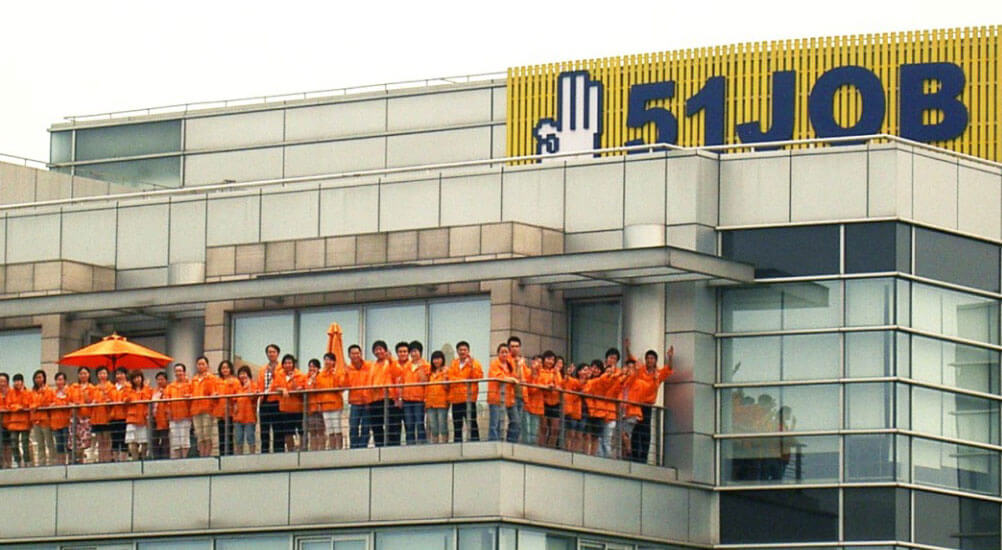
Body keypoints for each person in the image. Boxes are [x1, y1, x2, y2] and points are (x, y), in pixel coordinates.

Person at [624, 339, 674, 462]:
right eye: (648, 358)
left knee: (646, 432)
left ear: (655, 360)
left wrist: (670, 357)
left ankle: (644, 457)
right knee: (636, 431)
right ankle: (635, 456)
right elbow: (632, 359)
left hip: (647, 406)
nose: (650, 360)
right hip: (637, 405)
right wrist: (627, 348)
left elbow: (668, 369)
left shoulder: (658, 373)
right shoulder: (640, 370)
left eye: (652, 358)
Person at [368, 340, 401, 447]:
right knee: (376, 426)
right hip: (375, 400)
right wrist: (368, 400)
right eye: (376, 349)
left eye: (380, 349)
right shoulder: (372, 366)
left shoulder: (391, 363)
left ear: (385, 350)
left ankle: (393, 447)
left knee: (392, 425)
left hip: (389, 398)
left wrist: (390, 359)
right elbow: (369, 382)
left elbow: (398, 373)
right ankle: (380, 446)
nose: (378, 352)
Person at [271, 354, 306, 452]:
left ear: (293, 364)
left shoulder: (300, 375)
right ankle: (291, 450)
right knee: (287, 432)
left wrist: (293, 379)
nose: (288, 365)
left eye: (290, 363)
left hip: (298, 408)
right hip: (285, 408)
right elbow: (274, 387)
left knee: (301, 431)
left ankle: (303, 450)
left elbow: (301, 389)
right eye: (286, 363)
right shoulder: (279, 375)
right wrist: (282, 389)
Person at [448, 341, 482, 442]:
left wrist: (471, 367)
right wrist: (463, 379)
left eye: (464, 350)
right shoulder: (454, 363)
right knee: (457, 425)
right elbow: (450, 378)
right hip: (456, 399)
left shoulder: (475, 363)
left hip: (469, 398)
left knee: (472, 423)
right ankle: (457, 445)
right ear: (457, 351)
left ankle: (475, 444)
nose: (462, 352)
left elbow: (477, 377)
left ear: (468, 351)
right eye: (460, 350)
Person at [487, 343, 519, 442]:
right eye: (502, 352)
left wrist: (518, 366)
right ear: (498, 353)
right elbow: (499, 377)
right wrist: (511, 379)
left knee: (516, 421)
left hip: (509, 398)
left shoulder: (510, 365)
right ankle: (494, 442)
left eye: (506, 352)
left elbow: (516, 378)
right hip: (496, 398)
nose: (504, 354)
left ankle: (511, 441)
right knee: (495, 423)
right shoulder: (494, 364)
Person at [315, 352, 347, 450]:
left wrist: (335, 375)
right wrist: (319, 404)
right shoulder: (320, 375)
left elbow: (341, 386)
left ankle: (339, 447)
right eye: (325, 359)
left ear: (334, 362)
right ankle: (333, 448)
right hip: (325, 405)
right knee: (329, 429)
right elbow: (318, 391)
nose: (327, 362)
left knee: (337, 428)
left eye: (329, 360)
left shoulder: (337, 373)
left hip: (335, 404)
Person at [401, 341, 429, 445]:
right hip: (407, 399)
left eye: (415, 351)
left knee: (419, 423)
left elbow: (425, 381)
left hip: (419, 399)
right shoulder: (406, 366)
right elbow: (402, 382)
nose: (413, 354)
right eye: (411, 352)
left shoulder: (426, 365)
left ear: (420, 352)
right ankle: (410, 444)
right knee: (409, 424)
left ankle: (422, 444)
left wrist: (420, 367)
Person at [256, 343, 283, 453]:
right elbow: (260, 384)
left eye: (273, 352)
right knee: (264, 429)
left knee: (278, 429)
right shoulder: (263, 369)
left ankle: (278, 451)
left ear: (278, 353)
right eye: (269, 352)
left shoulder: (282, 368)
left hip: (277, 400)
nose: (271, 354)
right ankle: (265, 451)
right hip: (265, 400)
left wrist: (274, 373)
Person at [190, 356, 219, 457]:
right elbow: (191, 392)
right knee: (199, 436)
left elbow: (215, 392)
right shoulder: (194, 380)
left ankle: (207, 455)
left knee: (207, 435)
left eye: (203, 364)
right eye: (199, 364)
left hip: (207, 409)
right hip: (195, 410)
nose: (201, 366)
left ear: (207, 365)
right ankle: (202, 456)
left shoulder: (212, 378)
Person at [345, 345, 372, 449]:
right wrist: (344, 374)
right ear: (349, 355)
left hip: (367, 402)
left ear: (361, 354)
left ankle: (363, 446)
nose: (355, 355)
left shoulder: (369, 366)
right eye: (353, 353)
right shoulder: (348, 369)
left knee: (366, 427)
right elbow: (344, 385)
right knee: (353, 426)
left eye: (357, 353)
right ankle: (354, 447)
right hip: (355, 402)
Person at [90, 366, 117, 463]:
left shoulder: (111, 387)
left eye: (104, 373)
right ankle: (101, 459)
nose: (102, 375)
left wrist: (108, 399)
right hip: (96, 417)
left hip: (107, 416)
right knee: (100, 440)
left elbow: (114, 400)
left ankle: (107, 459)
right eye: (100, 373)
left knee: (107, 440)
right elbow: (90, 400)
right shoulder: (95, 388)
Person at [165, 364, 193, 459]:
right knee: (175, 441)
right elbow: (166, 400)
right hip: (173, 417)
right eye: (176, 371)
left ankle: (184, 458)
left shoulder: (189, 385)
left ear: (184, 372)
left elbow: (193, 397)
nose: (178, 373)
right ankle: (177, 459)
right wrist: (168, 412)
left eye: (180, 371)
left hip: (185, 416)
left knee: (184, 440)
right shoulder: (170, 386)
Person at [29, 369, 56, 466]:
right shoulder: (32, 391)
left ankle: (53, 462)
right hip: (36, 421)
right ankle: (41, 463)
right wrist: (36, 406)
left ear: (44, 378)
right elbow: (30, 404)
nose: (38, 379)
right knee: (40, 444)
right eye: (36, 377)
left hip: (46, 420)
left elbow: (49, 403)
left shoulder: (49, 390)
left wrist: (37, 405)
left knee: (49, 442)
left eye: (40, 377)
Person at [123, 371, 152, 460]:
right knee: (131, 441)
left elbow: (147, 398)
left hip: (143, 418)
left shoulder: (147, 388)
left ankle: (143, 459)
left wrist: (142, 391)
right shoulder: (128, 389)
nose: (137, 380)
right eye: (135, 378)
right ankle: (135, 459)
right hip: (132, 418)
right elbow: (125, 399)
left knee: (144, 441)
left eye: (139, 377)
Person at [536, 351, 563, 448]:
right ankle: (541, 448)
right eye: (548, 359)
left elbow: (560, 384)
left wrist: (556, 375)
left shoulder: (556, 371)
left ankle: (551, 448)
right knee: (543, 428)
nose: (550, 362)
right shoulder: (540, 370)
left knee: (555, 429)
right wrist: (546, 386)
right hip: (543, 401)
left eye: (552, 360)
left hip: (555, 401)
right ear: (544, 360)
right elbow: (537, 382)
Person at [67, 367, 94, 464]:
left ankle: (82, 460)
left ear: (89, 375)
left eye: (85, 373)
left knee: (84, 440)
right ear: (78, 375)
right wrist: (73, 404)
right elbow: (68, 400)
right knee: (74, 440)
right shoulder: (73, 387)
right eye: (81, 373)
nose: (83, 375)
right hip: (74, 417)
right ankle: (75, 460)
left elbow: (92, 402)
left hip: (85, 417)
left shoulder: (91, 388)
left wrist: (87, 400)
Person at [5, 374, 32, 467]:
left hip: (25, 422)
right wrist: (18, 407)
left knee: (25, 443)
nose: (17, 383)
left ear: (22, 382)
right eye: (15, 381)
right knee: (13, 443)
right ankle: (18, 461)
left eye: (19, 381)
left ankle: (27, 461)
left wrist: (22, 392)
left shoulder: (27, 392)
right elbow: (9, 405)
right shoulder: (10, 392)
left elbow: (27, 404)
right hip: (13, 422)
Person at [215, 360, 240, 456]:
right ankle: (222, 455)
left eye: (226, 368)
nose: (225, 370)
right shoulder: (218, 381)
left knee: (229, 435)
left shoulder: (235, 381)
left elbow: (237, 395)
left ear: (230, 369)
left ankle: (229, 455)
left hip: (230, 412)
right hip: (220, 412)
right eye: (223, 368)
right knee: (221, 435)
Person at [424, 351, 450, 444]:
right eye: (434, 359)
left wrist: (445, 377)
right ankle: (435, 444)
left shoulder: (446, 371)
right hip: (430, 403)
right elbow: (426, 387)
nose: (436, 361)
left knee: (442, 425)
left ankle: (444, 443)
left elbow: (447, 387)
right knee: (433, 426)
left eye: (439, 358)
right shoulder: (430, 373)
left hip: (442, 402)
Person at [506, 336, 527, 443]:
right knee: (515, 421)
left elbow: (525, 378)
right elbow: (513, 376)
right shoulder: (508, 360)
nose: (515, 348)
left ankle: (512, 442)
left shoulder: (522, 361)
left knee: (517, 423)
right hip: (511, 395)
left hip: (521, 395)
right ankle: (510, 443)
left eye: (517, 346)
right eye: (512, 346)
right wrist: (518, 366)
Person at [232, 366, 257, 454]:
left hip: (249, 417)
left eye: (244, 373)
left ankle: (252, 454)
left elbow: (253, 396)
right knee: (238, 438)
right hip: (238, 417)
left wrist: (249, 385)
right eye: (240, 374)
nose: (242, 376)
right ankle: (239, 455)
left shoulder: (253, 384)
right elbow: (233, 399)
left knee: (250, 437)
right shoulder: (237, 386)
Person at [50, 372, 72, 465]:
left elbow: (70, 403)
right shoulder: (52, 393)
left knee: (68, 443)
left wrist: (59, 404)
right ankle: (61, 463)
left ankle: (70, 462)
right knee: (59, 444)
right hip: (55, 422)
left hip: (66, 422)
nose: (59, 382)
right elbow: (49, 403)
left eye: (61, 379)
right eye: (57, 379)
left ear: (65, 381)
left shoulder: (69, 391)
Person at [561, 362, 583, 452]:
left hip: (581, 411)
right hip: (571, 410)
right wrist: (567, 374)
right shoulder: (571, 380)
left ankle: (576, 451)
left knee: (579, 434)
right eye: (583, 370)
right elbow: (563, 384)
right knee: (570, 432)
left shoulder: (590, 381)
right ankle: (568, 450)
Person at [521, 355, 543, 444]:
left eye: (540, 362)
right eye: (536, 361)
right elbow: (529, 388)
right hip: (527, 404)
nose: (538, 364)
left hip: (537, 407)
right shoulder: (527, 371)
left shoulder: (542, 375)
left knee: (534, 432)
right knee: (527, 430)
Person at [110, 367, 130, 461]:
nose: (119, 376)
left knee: (123, 439)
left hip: (124, 416)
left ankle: (123, 460)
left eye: (121, 373)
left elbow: (128, 398)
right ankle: (115, 458)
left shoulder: (128, 386)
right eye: (117, 374)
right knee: (114, 439)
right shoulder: (113, 387)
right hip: (113, 416)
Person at [305, 358, 325, 451]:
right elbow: (307, 388)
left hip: (320, 407)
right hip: (310, 408)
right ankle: (313, 449)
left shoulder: (322, 377)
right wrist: (311, 380)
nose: (312, 369)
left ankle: (321, 449)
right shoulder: (306, 377)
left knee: (320, 431)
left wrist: (314, 380)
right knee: (312, 431)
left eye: (314, 366)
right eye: (310, 366)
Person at [151, 371, 170, 459]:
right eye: (158, 379)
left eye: (162, 379)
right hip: (154, 418)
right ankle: (156, 457)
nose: (160, 381)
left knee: (164, 439)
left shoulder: (168, 390)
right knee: (154, 440)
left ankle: (165, 457)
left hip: (164, 418)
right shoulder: (154, 391)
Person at [0, 373, 11, 467]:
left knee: (9, 445)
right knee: (2, 445)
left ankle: (9, 464)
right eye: (0, 381)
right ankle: (3, 464)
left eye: (3, 381)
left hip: (10, 422)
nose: (2, 383)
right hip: (1, 422)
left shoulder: (11, 393)